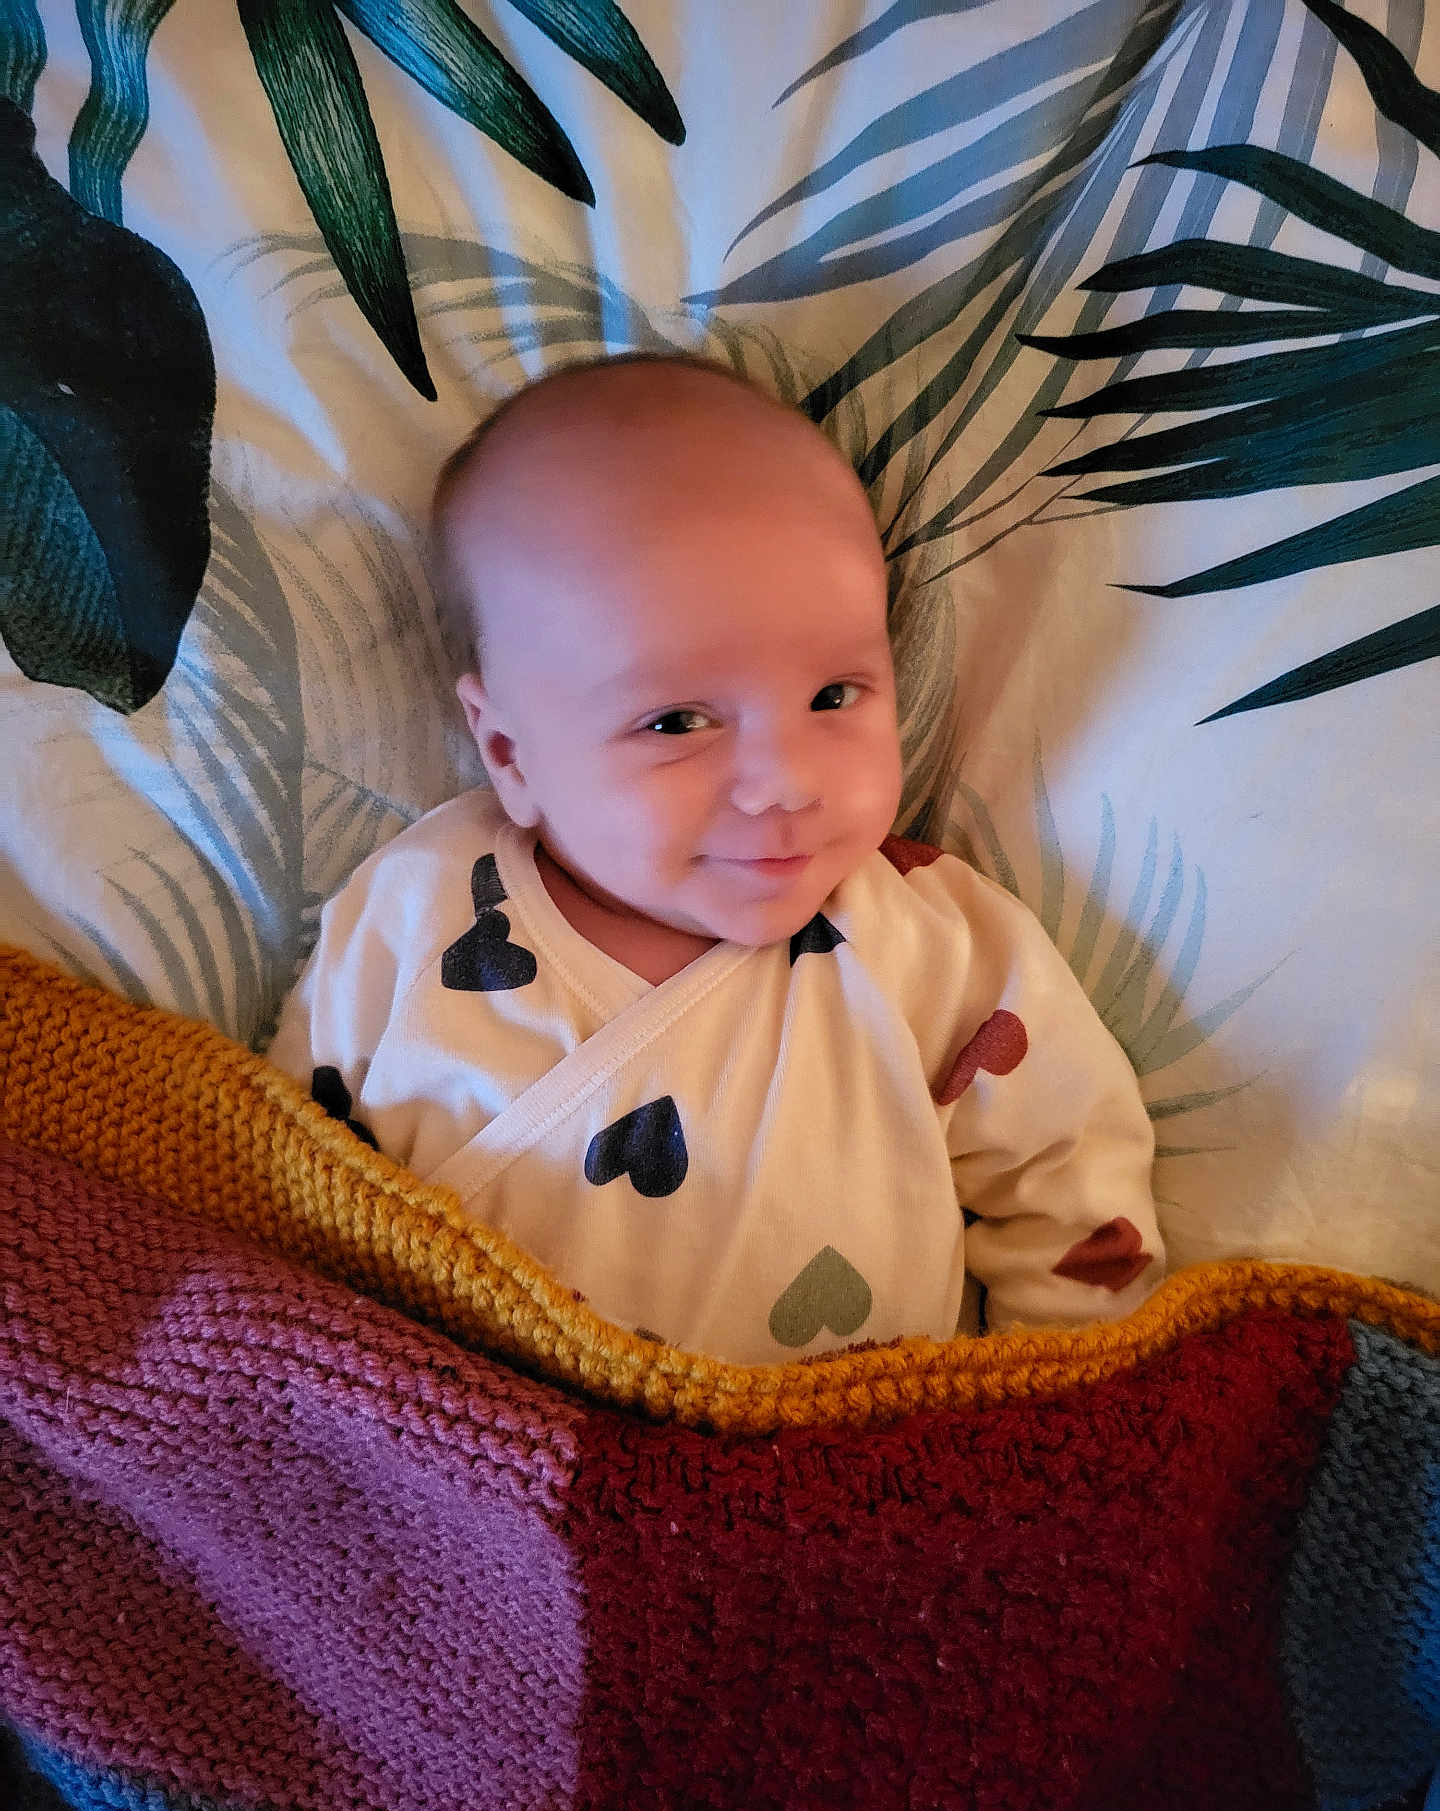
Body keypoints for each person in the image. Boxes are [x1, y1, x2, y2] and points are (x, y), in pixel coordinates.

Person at [267, 352, 1164, 1364]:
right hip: (465, 1469)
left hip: (850, 1479)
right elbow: (278, 1195)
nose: (783, 780)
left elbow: (1073, 1194)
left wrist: (1040, 1439)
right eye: (679, 720)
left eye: (834, 695)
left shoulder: (937, 949)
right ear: (510, 750)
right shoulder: (414, 916)